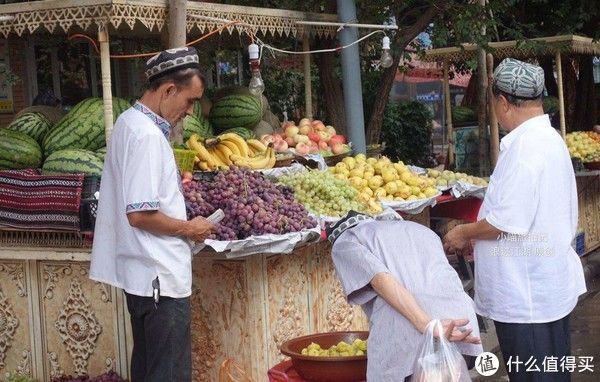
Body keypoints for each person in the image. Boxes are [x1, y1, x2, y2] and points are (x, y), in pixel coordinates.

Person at [443, 58, 586, 382]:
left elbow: (504, 223)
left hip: (526, 296)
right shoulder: (550, 140)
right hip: (544, 287)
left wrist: (464, 232)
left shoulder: (525, 149)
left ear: (503, 102)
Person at [89, 47, 213, 382]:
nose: (189, 112)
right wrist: (191, 227)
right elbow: (140, 215)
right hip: (159, 278)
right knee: (167, 373)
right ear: (169, 90)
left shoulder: (129, 123)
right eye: (189, 101)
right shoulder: (145, 136)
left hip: (144, 277)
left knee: (148, 370)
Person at [327, 211, 483, 382]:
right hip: (459, 319)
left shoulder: (345, 241)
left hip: (413, 327)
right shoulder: (418, 228)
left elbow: (380, 280)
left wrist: (428, 325)